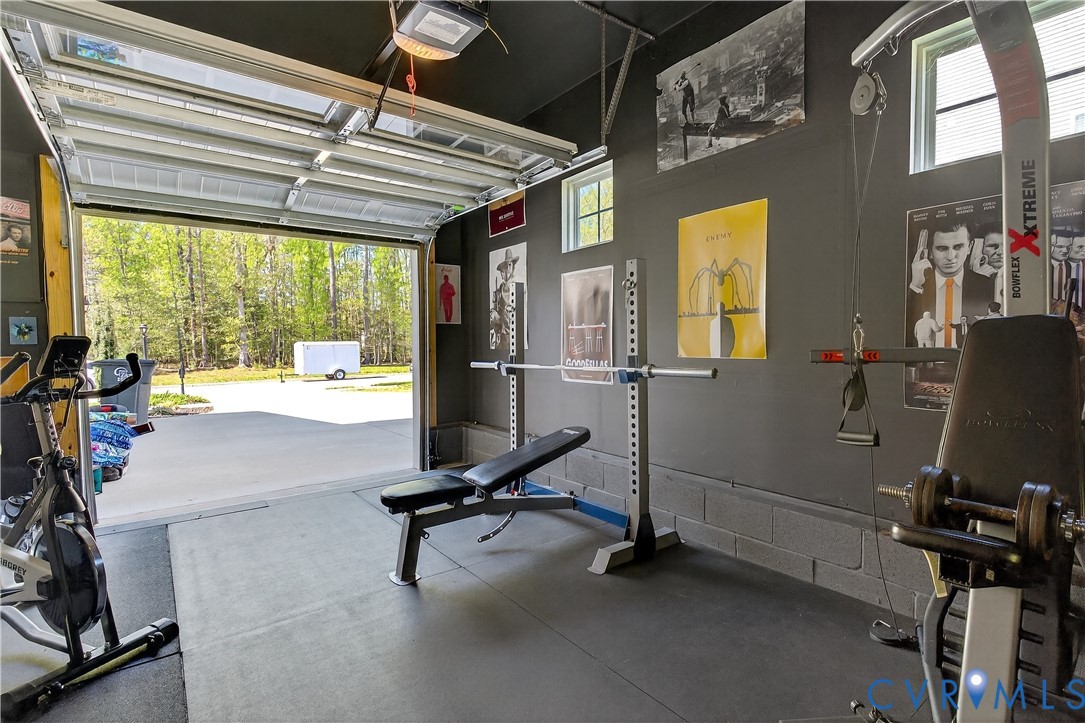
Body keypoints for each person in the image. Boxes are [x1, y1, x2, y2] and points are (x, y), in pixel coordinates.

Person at [907, 220, 995, 349]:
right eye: (942, 248)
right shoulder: (917, 287)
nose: (951, 256)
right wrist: (915, 285)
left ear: (969, 247)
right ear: (929, 252)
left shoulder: (988, 286)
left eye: (958, 247)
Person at [1051, 230, 1074, 301]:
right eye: (1060, 246)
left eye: (1069, 247)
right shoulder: (1043, 266)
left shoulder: (1069, 265)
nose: (1065, 250)